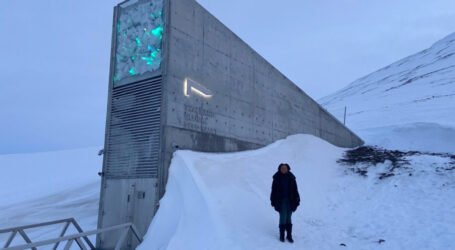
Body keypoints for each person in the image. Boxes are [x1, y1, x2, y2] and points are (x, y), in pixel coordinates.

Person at [270, 163, 300, 243]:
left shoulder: (291, 177)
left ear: (288, 169)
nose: (283, 169)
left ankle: (289, 235)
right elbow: (273, 190)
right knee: (283, 217)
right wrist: (272, 200)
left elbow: (295, 189)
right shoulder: (276, 178)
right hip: (281, 201)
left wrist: (297, 199)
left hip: (290, 200)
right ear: (279, 169)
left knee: (289, 217)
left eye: (285, 168)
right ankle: (282, 235)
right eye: (282, 168)